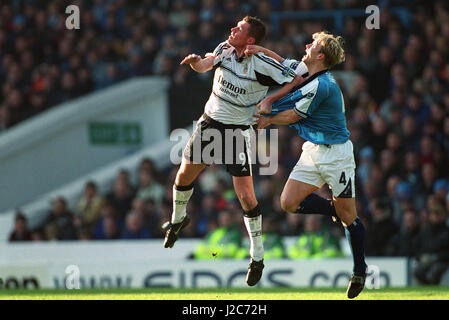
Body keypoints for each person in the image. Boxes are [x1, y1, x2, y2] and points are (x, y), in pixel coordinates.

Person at [163, 15, 305, 286]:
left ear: (250, 39)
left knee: (246, 197)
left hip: (238, 132)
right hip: (210, 124)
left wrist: (270, 99)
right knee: (182, 177)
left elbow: (296, 79)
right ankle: (177, 221)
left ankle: (257, 256)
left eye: (238, 28)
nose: (232, 29)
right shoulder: (224, 49)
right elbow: (206, 65)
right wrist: (196, 63)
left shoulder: (263, 64)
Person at [253, 31, 368, 298]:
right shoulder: (305, 71)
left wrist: (267, 119)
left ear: (320, 56)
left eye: (312, 44)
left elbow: (294, 114)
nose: (306, 45)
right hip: (313, 150)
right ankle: (334, 209)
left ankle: (360, 271)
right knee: (288, 203)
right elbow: (280, 62)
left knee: (350, 219)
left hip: (336, 155)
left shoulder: (323, 85)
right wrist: (255, 49)